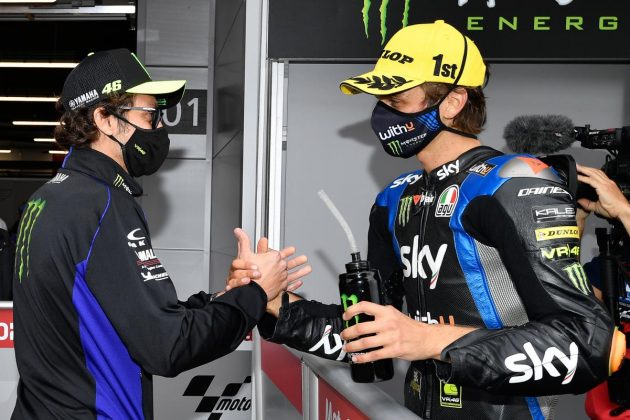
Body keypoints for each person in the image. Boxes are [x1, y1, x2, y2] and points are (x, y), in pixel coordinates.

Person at [239, 21, 625, 419]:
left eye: (397, 98)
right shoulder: (395, 198)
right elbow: (371, 332)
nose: (382, 114)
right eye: (380, 100)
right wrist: (274, 303)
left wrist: (432, 340)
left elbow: (588, 343)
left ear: (454, 102)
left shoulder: (512, 183)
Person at [11, 48, 309, 420]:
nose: (160, 129)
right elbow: (168, 346)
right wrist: (257, 294)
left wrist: (227, 297)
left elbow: (124, 313)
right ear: (105, 118)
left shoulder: (49, 197)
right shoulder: (102, 204)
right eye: (149, 116)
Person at [575, 164, 630, 419]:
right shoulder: (610, 264)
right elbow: (573, 305)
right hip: (611, 403)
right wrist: (576, 222)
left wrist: (623, 210)